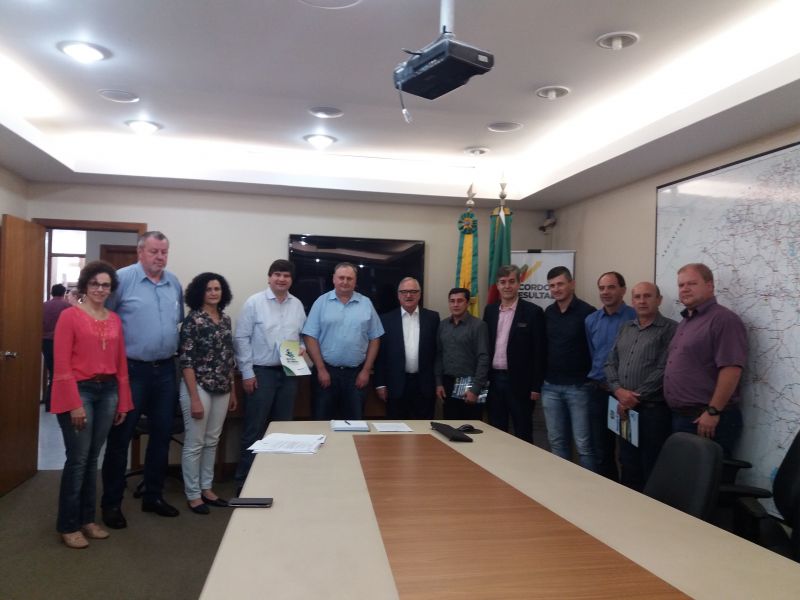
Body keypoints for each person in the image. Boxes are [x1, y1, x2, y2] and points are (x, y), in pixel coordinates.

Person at [101, 231, 184, 528]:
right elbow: (103, 319)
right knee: (120, 438)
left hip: (166, 370)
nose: (160, 257)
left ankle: (153, 496)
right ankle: (111, 504)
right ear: (140, 252)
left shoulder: (174, 283)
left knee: (161, 437)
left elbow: (176, 322)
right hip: (131, 371)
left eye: (164, 252)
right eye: (154, 251)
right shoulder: (122, 279)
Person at [51, 261, 133, 549]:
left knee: (92, 459)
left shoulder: (115, 319)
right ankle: (68, 524)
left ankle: (87, 519)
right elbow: (61, 363)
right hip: (79, 391)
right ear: (86, 285)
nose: (100, 289)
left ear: (111, 289)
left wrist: (123, 401)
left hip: (108, 391)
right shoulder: (69, 316)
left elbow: (121, 363)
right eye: (95, 283)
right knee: (78, 460)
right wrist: (73, 403)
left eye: (105, 285)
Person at [233, 259, 306, 490]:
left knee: (283, 429)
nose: (281, 279)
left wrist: (302, 347)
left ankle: (277, 481)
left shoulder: (297, 305)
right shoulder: (254, 302)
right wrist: (247, 373)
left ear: (291, 280)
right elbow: (241, 338)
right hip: (261, 373)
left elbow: (302, 336)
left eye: (286, 275)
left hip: (289, 372)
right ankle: (245, 483)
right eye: (277, 274)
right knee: (254, 429)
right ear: (269, 277)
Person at [664, 263, 747, 457]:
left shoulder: (723, 320)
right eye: (681, 285)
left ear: (710, 286)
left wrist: (713, 411)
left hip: (707, 419)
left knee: (708, 475)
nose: (685, 289)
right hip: (683, 417)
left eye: (692, 283)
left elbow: (731, 369)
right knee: (684, 474)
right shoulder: (685, 322)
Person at [604, 282, 678, 490]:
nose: (642, 301)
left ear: (659, 300)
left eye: (647, 296)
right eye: (637, 297)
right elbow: (610, 362)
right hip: (624, 410)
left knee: (651, 464)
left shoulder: (671, 329)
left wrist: (633, 397)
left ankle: (651, 508)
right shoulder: (626, 327)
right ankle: (628, 505)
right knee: (628, 461)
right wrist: (618, 390)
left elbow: (664, 368)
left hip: (652, 411)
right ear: (632, 301)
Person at [178, 272, 237, 515]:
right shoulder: (193, 320)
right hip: (198, 387)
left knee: (212, 441)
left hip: (222, 388)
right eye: (209, 289)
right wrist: (194, 398)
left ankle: (207, 488)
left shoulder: (225, 320)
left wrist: (233, 391)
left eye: (217, 289)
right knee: (195, 443)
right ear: (199, 293)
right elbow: (186, 361)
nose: (213, 293)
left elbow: (228, 358)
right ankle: (193, 495)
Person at [302, 262, 384, 420]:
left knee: (354, 423)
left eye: (349, 278)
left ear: (355, 281)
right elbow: (310, 336)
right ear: (334, 279)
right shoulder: (321, 302)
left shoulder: (366, 303)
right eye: (341, 277)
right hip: (326, 373)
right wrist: (321, 369)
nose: (345, 282)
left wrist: (366, 371)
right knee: (321, 423)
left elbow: (375, 338)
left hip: (356, 375)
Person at [541, 266, 596, 470]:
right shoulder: (548, 312)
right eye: (552, 286)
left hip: (579, 388)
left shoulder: (588, 312)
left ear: (572, 284)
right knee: (556, 442)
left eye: (560, 284)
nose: (556, 289)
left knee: (584, 445)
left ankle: (590, 486)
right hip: (550, 387)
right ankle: (561, 484)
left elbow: (595, 349)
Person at [483, 265, 546, 443]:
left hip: (521, 383)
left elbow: (539, 351)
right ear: (497, 285)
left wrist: (536, 386)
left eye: (511, 281)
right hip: (494, 381)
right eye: (503, 282)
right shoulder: (490, 311)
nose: (507, 286)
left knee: (523, 432)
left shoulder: (533, 312)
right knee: (497, 432)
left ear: (519, 284)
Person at [585, 271, 636, 479]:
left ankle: (628, 494)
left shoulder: (635, 317)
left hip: (624, 395)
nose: (605, 292)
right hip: (598, 393)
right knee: (601, 451)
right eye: (602, 288)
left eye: (611, 287)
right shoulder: (591, 320)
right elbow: (593, 354)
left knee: (627, 453)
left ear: (623, 290)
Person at [374, 277, 440, 419]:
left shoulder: (433, 318)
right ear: (398, 295)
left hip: (424, 385)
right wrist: (380, 384)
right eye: (404, 292)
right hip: (395, 385)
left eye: (413, 291)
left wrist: (438, 382)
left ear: (419, 294)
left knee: (424, 429)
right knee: (396, 428)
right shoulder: (385, 320)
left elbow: (437, 353)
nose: (408, 295)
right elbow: (381, 355)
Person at [435, 287, 490, 421]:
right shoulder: (443, 325)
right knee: (450, 425)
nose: (455, 304)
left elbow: (484, 358)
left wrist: (475, 389)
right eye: (452, 301)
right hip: (448, 381)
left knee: (473, 427)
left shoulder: (479, 325)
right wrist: (439, 383)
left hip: (471, 382)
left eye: (460, 301)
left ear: (467, 303)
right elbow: (439, 355)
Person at [42, 283, 70, 411]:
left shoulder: (43, 306)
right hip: (61, 342)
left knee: (51, 371)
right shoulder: (67, 307)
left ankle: (49, 403)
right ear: (64, 293)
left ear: (51, 293)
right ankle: (58, 402)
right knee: (60, 372)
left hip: (45, 341)